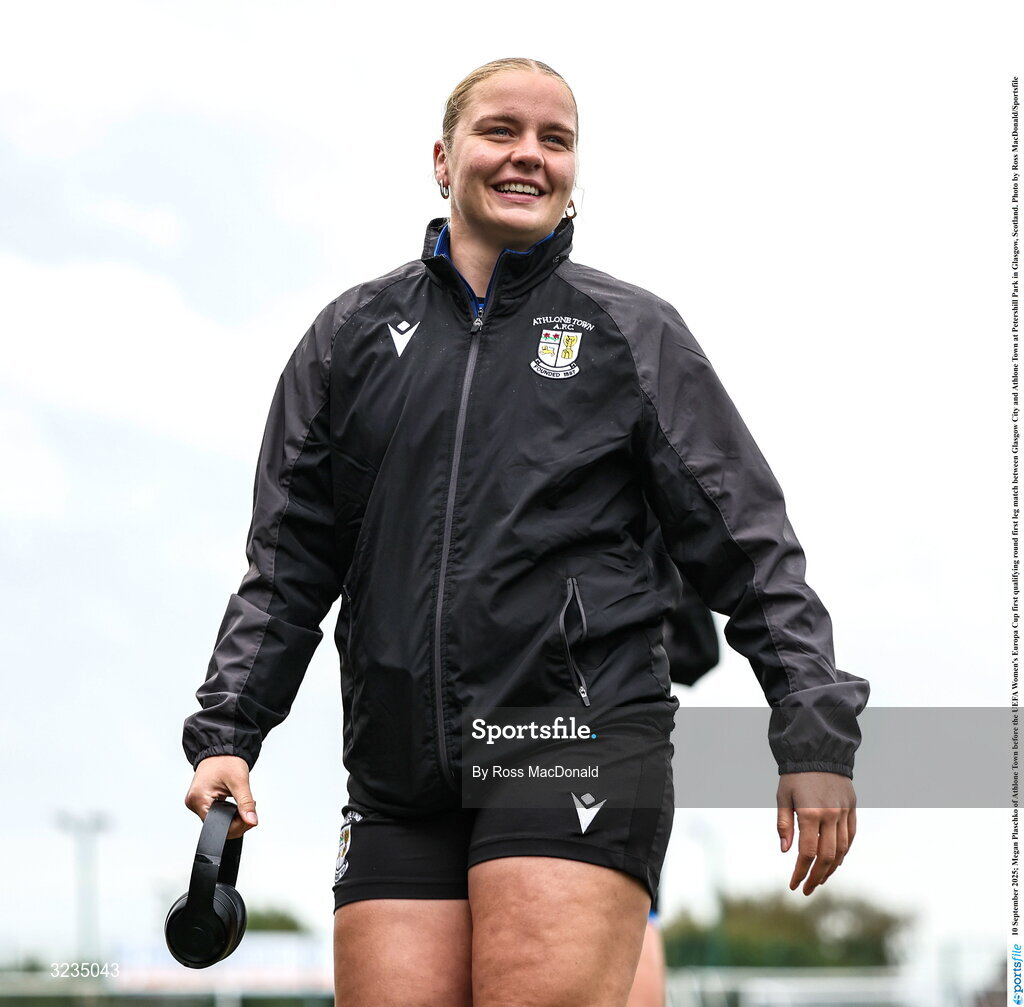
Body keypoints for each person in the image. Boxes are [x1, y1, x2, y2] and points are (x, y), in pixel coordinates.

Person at [182, 58, 869, 1007]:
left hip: (572, 738)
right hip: (396, 772)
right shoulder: (347, 339)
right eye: (502, 130)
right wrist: (228, 733)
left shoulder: (632, 333)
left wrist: (813, 732)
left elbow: (750, 546)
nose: (529, 156)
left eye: (556, 139)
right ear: (442, 157)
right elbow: (288, 565)